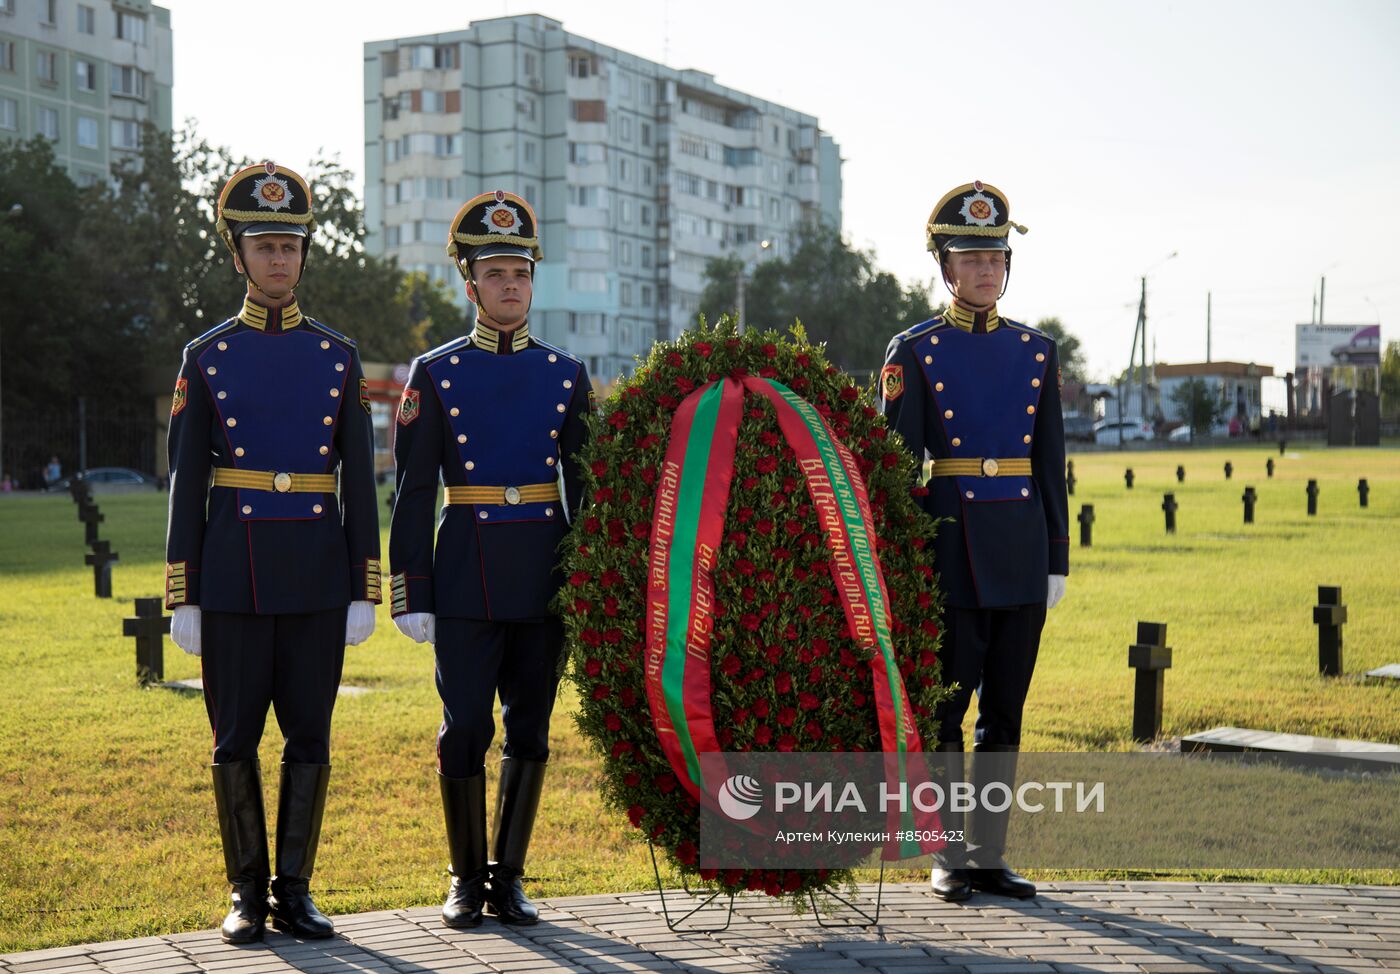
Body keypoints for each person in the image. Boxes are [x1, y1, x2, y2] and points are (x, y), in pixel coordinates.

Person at [164, 162, 382, 944]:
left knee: (312, 737)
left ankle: (295, 890)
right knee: (232, 740)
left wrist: (366, 585)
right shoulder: (208, 355)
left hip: (320, 578)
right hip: (231, 577)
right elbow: (188, 482)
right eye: (265, 247)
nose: (280, 260)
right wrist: (181, 594)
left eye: (291, 246)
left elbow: (360, 474)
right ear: (239, 256)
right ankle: (245, 892)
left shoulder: (337, 355)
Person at [389, 190, 591, 929]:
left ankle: (508, 878)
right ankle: (463, 877)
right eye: (496, 272)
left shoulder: (566, 374)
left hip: (542, 573)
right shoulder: (436, 373)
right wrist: (410, 589)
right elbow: (412, 490)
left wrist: (592, 582)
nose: (511, 284)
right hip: (466, 571)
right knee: (466, 724)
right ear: (469, 284)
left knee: (531, 728)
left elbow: (588, 487)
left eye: (521, 272)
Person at [879, 181, 1068, 903]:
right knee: (945, 713)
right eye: (972, 258)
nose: (988, 271)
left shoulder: (1037, 351)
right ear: (945, 268)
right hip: (950, 556)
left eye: (998, 257)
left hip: (1021, 552)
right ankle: (947, 856)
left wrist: (1056, 556)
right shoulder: (916, 351)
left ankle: (990, 856)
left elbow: (1050, 463)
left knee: (1007, 715)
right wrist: (905, 560)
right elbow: (893, 471)